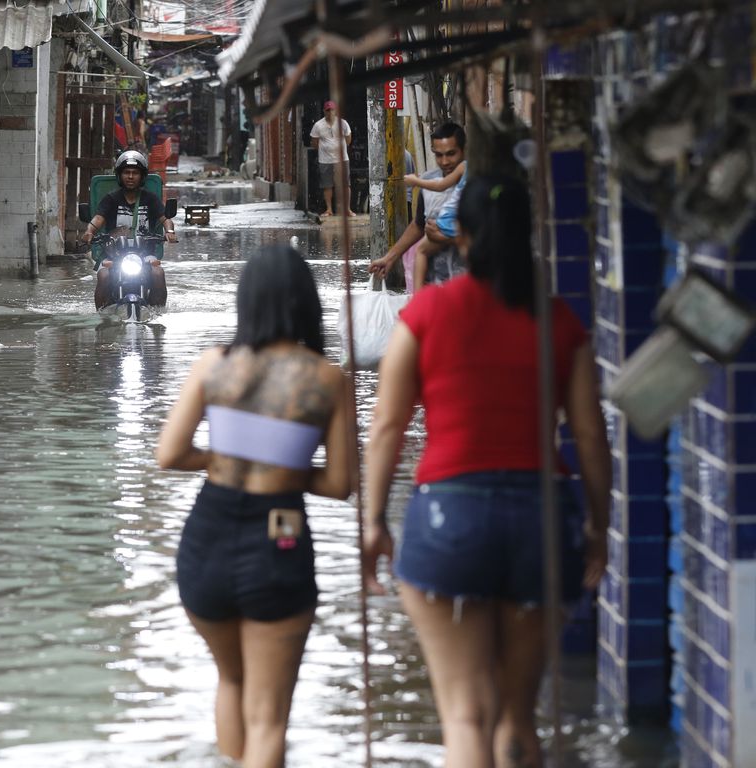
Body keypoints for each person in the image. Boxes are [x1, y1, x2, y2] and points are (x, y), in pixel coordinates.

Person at [362, 175, 610, 768]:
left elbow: (388, 429)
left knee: (466, 718)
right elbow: (591, 434)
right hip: (542, 519)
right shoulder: (558, 321)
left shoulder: (426, 314)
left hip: (449, 520)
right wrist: (598, 523)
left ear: (460, 238)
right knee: (518, 716)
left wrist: (373, 521)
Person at [156, 245, 351, 768]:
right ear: (306, 303)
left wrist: (227, 456)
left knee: (231, 680)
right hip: (278, 538)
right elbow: (338, 484)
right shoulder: (327, 379)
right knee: (268, 720)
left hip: (208, 537)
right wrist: (280, 466)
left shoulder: (214, 365)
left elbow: (169, 454)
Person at [370, 122, 466, 292]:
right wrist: (390, 258)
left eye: (451, 154)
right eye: (439, 155)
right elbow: (418, 225)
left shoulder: (478, 183)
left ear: (464, 151)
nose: (444, 162)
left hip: (468, 285)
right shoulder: (428, 182)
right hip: (434, 285)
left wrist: (448, 238)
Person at [83, 150, 176, 310]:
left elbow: (165, 219)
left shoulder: (150, 199)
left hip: (145, 253)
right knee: (104, 275)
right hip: (115, 254)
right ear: (120, 175)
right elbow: (98, 219)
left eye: (135, 173)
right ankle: (101, 316)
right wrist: (89, 231)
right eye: (126, 172)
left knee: (158, 274)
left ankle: (158, 313)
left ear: (142, 176)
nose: (131, 176)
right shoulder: (111, 199)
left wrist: (170, 232)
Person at [400, 159, 467, 294]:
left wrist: (416, 181)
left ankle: (418, 300)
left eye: (450, 155)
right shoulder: (484, 173)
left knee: (421, 251)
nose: (445, 161)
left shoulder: (464, 166)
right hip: (459, 223)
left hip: (446, 221)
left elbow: (440, 185)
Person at [310, 100, 354, 218]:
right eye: (328, 110)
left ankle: (347, 209)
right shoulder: (318, 125)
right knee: (327, 185)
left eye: (332, 110)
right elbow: (314, 143)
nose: (330, 113)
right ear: (324, 111)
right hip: (325, 160)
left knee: (345, 184)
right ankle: (329, 209)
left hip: (342, 159)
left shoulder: (343, 123)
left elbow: (348, 140)